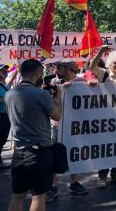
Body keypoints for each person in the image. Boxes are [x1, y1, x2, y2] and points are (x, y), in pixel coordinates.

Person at [6, 59, 62, 211]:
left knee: (18, 195)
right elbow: (57, 116)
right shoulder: (41, 94)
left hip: (19, 152)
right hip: (39, 152)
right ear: (38, 72)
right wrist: (58, 100)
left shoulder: (9, 94)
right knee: (39, 196)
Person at [46, 60, 88, 203]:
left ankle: (74, 182)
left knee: (74, 152)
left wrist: (93, 84)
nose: (56, 70)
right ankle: (53, 186)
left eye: (59, 67)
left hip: (75, 125)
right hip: (57, 124)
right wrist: (58, 88)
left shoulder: (82, 82)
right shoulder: (53, 82)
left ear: (68, 68)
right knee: (55, 154)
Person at [89, 46, 116, 188]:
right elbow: (92, 65)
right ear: (109, 63)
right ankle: (102, 176)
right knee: (105, 147)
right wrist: (100, 51)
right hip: (104, 119)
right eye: (114, 63)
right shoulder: (103, 74)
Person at [0, 64, 11, 168]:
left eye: (6, 70)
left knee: (3, 139)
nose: (5, 72)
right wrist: (7, 98)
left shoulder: (6, 85)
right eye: (3, 70)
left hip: (7, 116)